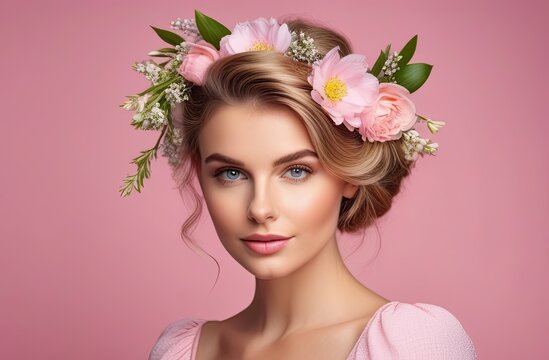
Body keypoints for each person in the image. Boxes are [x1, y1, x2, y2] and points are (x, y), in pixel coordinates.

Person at [120, 11, 477, 360]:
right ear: (200, 173)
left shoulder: (412, 346)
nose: (260, 209)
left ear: (349, 175)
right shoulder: (180, 350)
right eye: (231, 173)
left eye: (296, 171)